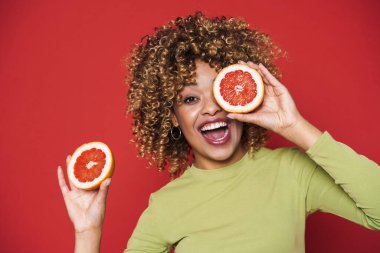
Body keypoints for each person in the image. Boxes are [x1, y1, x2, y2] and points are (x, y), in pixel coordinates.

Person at [57, 12, 380, 253]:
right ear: (172, 117)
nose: (211, 108)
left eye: (221, 92)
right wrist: (88, 232)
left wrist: (295, 126)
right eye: (190, 98)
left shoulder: (290, 171)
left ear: (243, 96)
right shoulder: (166, 205)